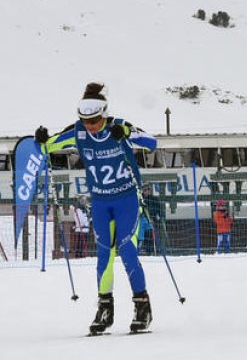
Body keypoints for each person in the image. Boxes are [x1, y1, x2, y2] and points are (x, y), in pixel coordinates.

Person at [36, 82, 158, 334]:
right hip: (101, 202)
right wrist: (41, 139)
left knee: (127, 251)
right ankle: (105, 309)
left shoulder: (117, 126)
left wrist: (126, 132)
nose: (90, 125)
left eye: (94, 121)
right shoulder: (79, 131)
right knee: (104, 257)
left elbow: (151, 142)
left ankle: (142, 306)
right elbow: (48, 146)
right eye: (85, 120)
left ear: (103, 115)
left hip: (126, 199)